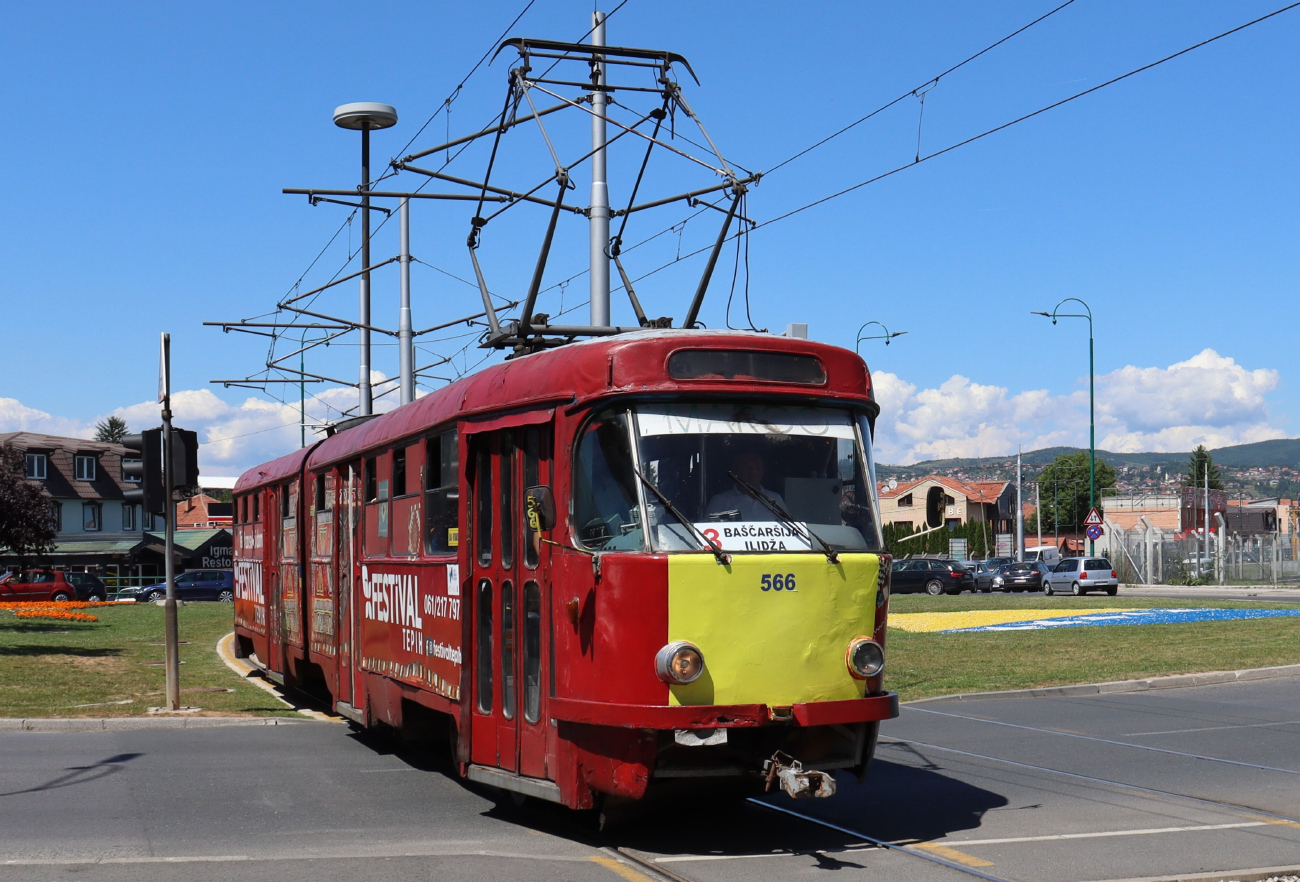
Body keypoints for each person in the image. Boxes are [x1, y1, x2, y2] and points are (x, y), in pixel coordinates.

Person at [706, 451, 787, 521]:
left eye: (757, 466)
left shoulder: (775, 499)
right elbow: (708, 531)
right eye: (747, 467)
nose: (753, 472)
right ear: (737, 470)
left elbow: (788, 529)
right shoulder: (720, 501)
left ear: (763, 470)